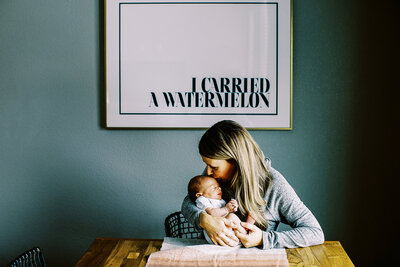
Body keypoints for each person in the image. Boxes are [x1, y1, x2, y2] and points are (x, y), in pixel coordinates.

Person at [181, 120, 324, 249]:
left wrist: (264, 239)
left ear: (236, 161)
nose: (208, 171)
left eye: (214, 167)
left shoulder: (274, 185)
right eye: (206, 165)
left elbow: (314, 232)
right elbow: (189, 201)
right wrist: (203, 219)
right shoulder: (215, 177)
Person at [187, 175, 250, 244]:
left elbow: (225, 213)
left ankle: (243, 237)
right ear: (199, 195)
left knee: (233, 218)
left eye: (218, 186)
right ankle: (246, 236)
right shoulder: (202, 200)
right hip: (214, 232)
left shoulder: (219, 200)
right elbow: (212, 213)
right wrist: (226, 209)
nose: (219, 188)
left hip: (224, 228)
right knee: (231, 217)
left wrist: (233, 207)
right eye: (213, 188)